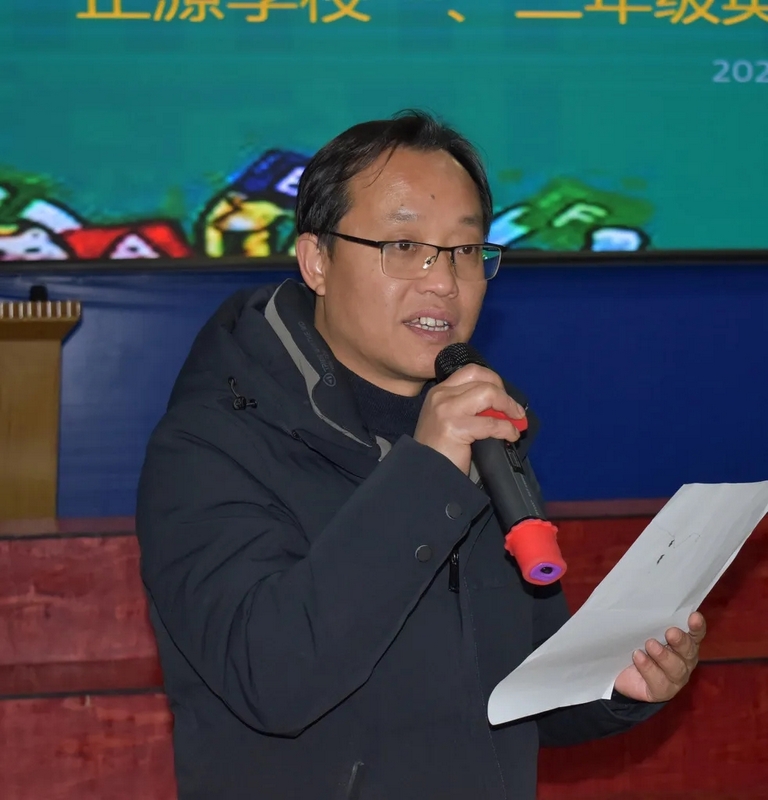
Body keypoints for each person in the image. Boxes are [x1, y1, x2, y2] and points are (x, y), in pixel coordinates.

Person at [136, 111, 706, 800]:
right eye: (404, 245)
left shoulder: (486, 435)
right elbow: (273, 679)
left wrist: (617, 683)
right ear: (316, 261)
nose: (444, 281)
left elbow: (517, 687)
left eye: (466, 250)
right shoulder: (208, 446)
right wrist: (430, 472)